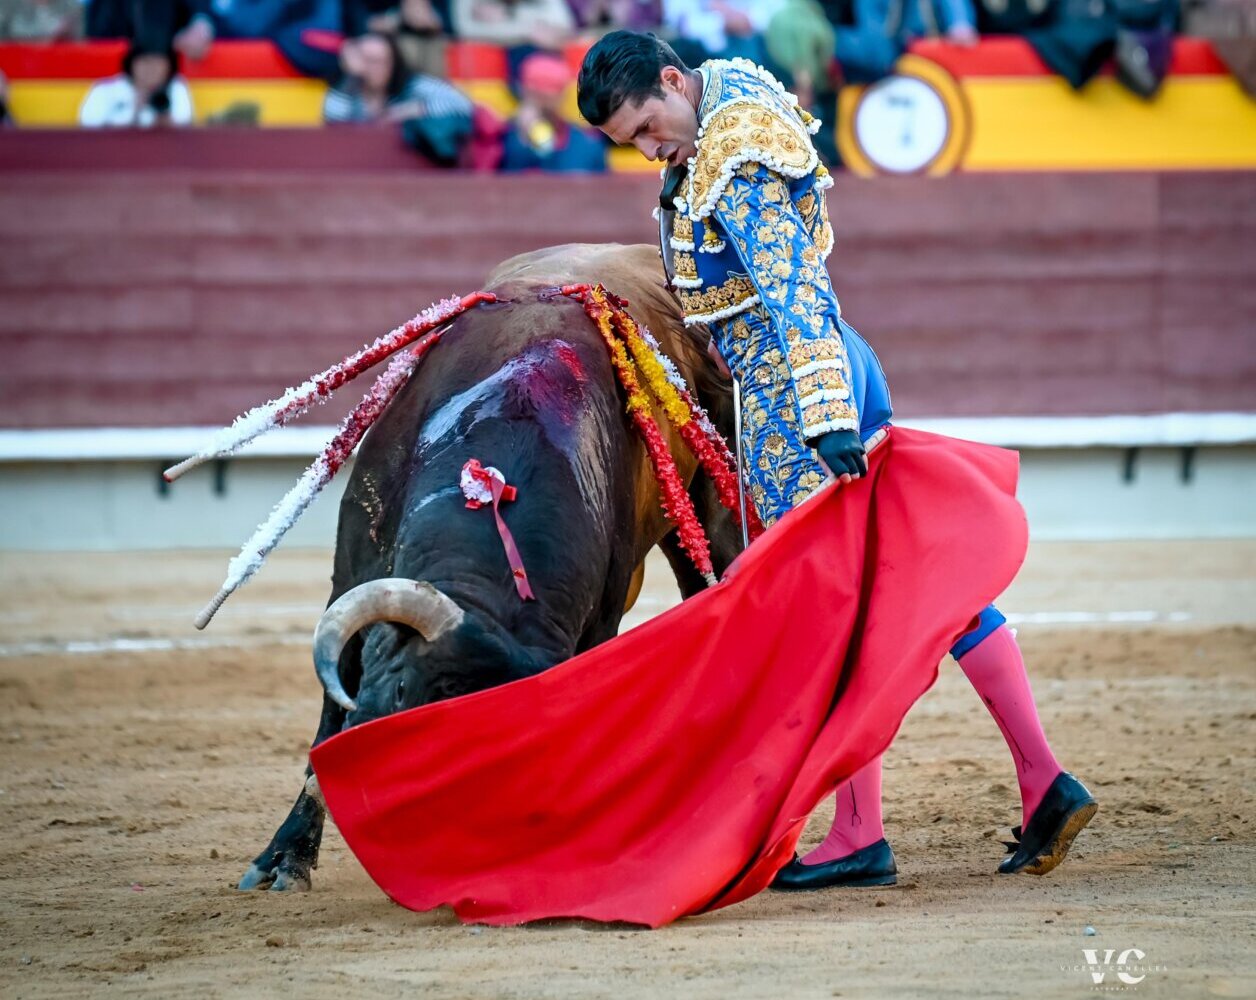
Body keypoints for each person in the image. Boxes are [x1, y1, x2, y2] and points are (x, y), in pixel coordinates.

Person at [576, 30, 1097, 889]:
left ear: (672, 79)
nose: (646, 149)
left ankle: (860, 833)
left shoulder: (735, 156)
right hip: (821, 374)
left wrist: (821, 416)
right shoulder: (722, 99)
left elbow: (796, 292)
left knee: (833, 606)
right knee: (913, 578)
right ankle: (1043, 781)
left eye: (645, 127)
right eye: (628, 141)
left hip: (795, 392)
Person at [501, 52, 608, 171]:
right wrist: (522, 138)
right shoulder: (502, 139)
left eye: (546, 97)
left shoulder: (588, 144)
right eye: (536, 96)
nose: (542, 104)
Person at [79, 40, 194, 128]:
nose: (151, 68)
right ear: (131, 63)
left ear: (169, 66)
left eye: (158, 62)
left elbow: (184, 123)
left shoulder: (176, 87)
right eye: (145, 61)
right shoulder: (105, 89)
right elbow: (89, 125)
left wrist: (164, 120)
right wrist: (134, 113)